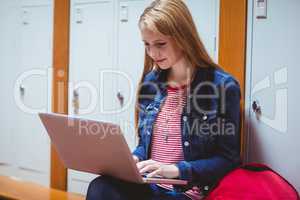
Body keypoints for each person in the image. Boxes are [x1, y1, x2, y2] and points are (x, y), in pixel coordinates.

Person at [86, 0, 241, 199]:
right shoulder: (151, 83)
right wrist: (133, 159)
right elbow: (145, 145)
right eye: (147, 45)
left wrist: (176, 170)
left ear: (184, 37)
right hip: (149, 185)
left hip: (186, 192)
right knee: (101, 186)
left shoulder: (222, 86)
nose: (152, 53)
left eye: (160, 44)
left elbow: (227, 160)